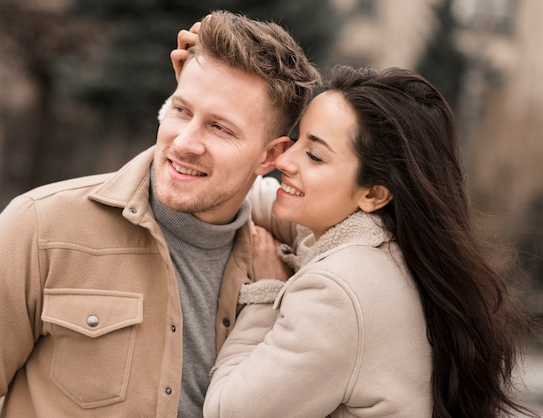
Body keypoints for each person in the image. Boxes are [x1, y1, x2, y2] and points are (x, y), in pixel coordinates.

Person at [0, 10, 320, 417]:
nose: (184, 142)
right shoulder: (39, 228)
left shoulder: (285, 264)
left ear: (271, 156)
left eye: (220, 128)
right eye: (181, 110)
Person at [203, 64, 537, 417]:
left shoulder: (338, 291)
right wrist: (201, 110)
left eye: (314, 155)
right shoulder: (387, 246)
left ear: (375, 194)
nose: (284, 159)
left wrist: (266, 291)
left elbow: (227, 411)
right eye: (298, 138)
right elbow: (261, 201)